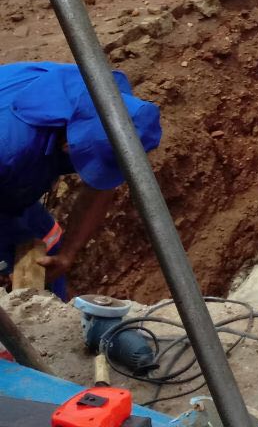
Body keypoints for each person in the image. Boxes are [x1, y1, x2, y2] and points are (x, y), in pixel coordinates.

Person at [1, 62, 162, 299]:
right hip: (10, 168)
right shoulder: (10, 147)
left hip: (15, 183)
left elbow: (102, 183)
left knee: (46, 245)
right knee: (13, 275)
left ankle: (52, 306)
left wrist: (68, 254)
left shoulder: (109, 111)